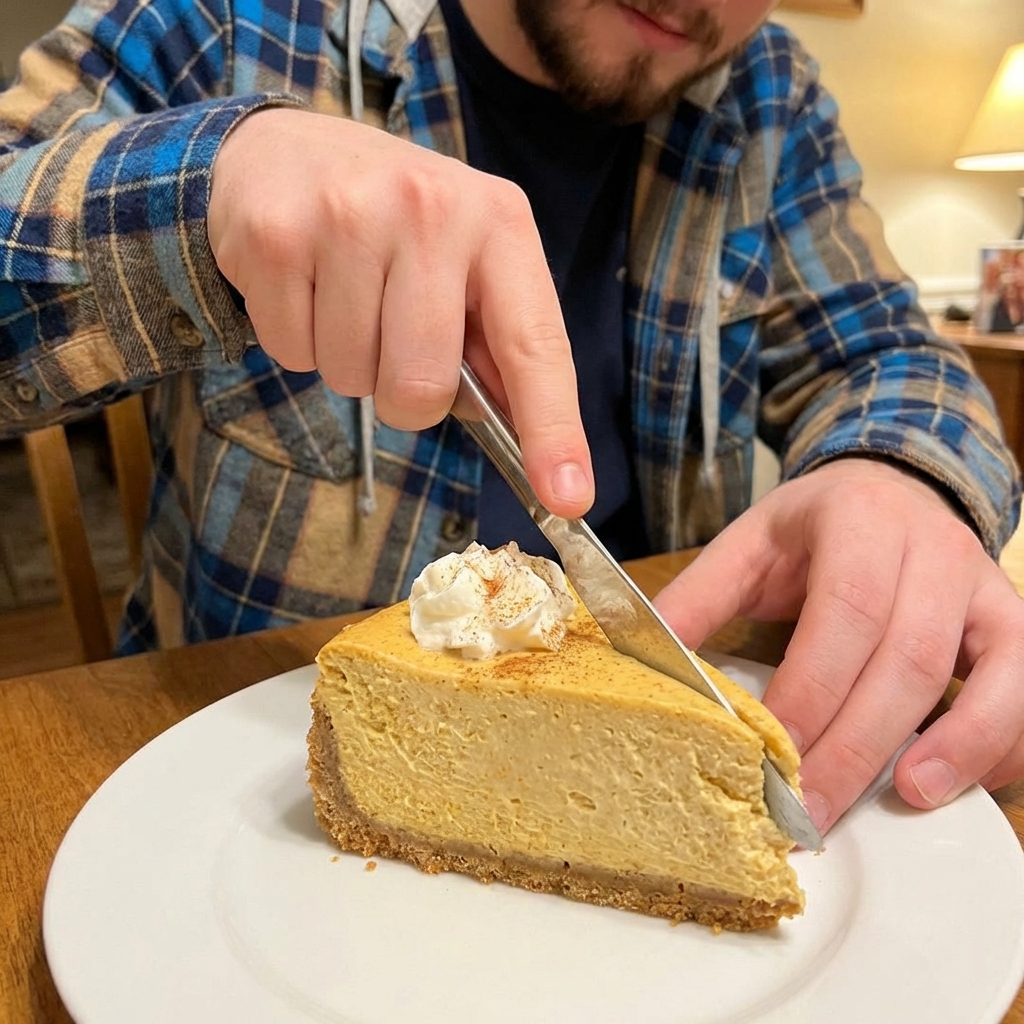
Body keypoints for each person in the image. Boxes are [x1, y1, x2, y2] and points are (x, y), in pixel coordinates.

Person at [1, 0, 1022, 837]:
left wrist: (903, 473)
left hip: (626, 775)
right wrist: (203, 186)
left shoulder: (767, 97)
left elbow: (888, 351)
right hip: (228, 795)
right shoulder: (235, 23)